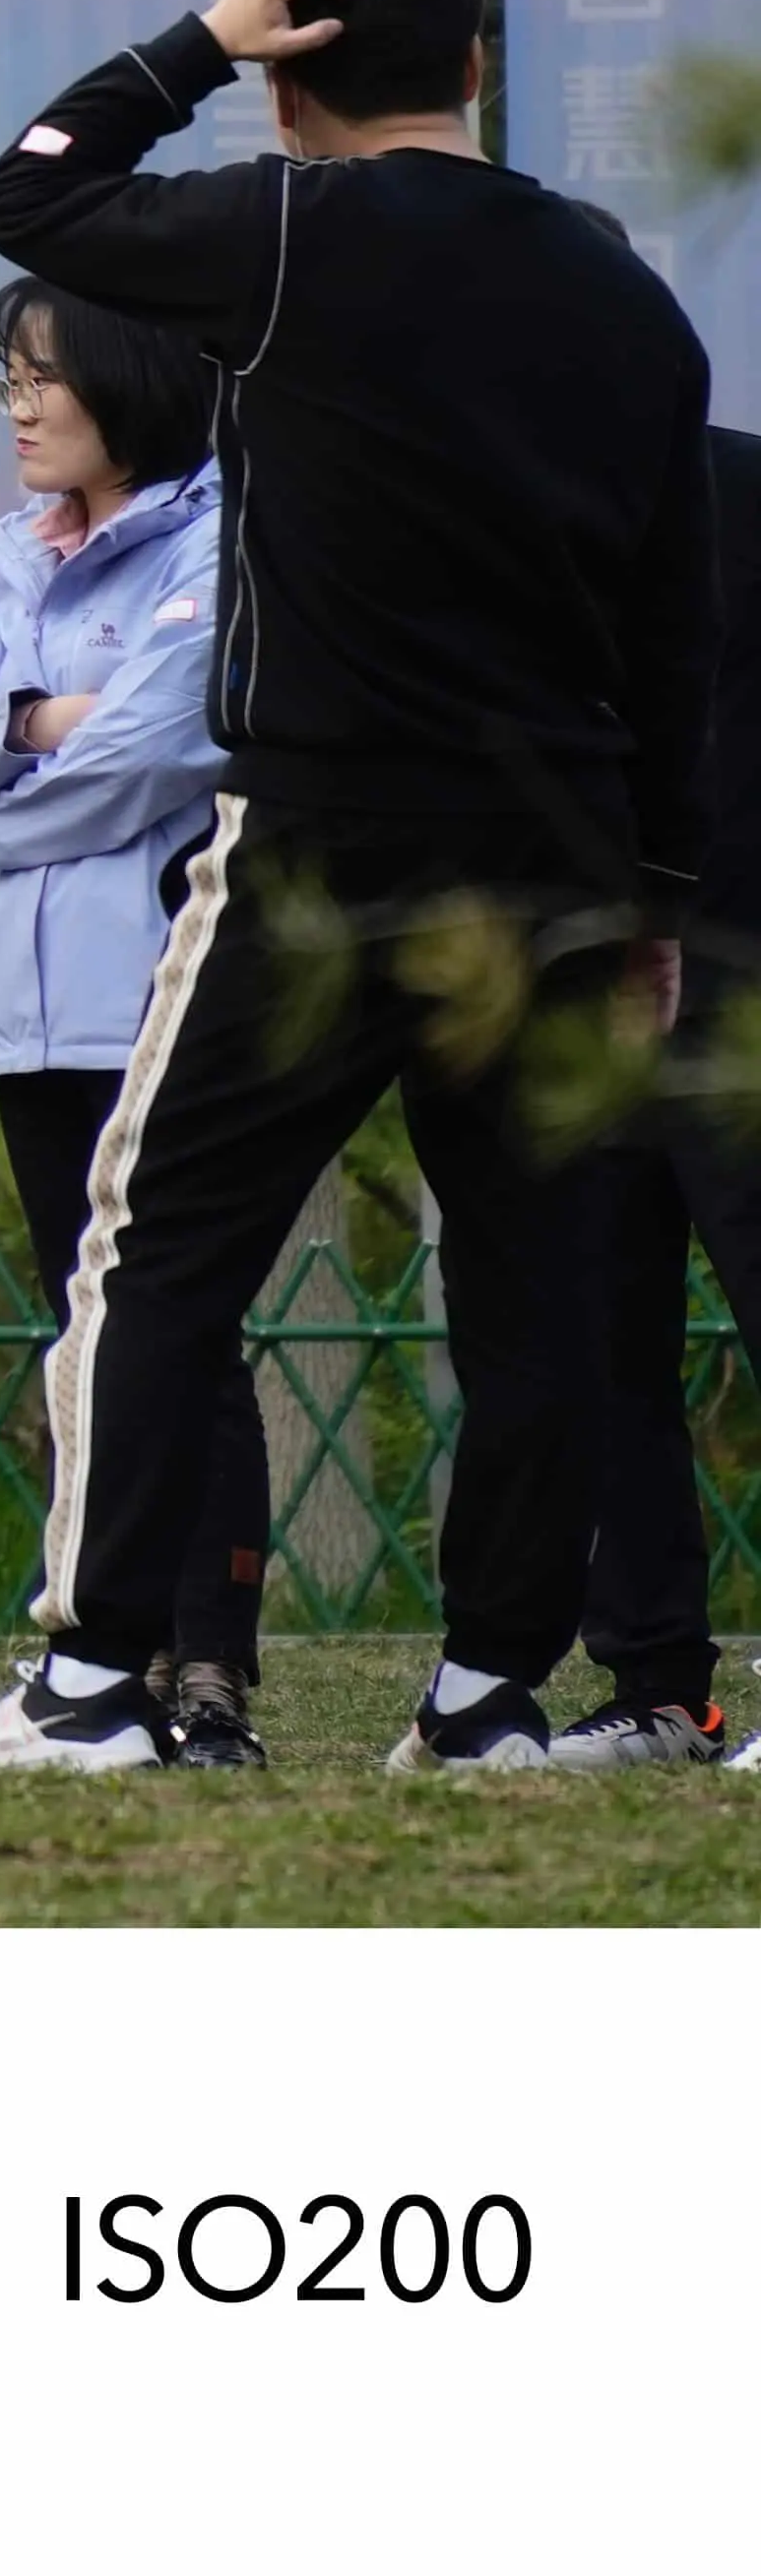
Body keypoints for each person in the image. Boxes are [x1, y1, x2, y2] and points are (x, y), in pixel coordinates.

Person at [0, 0, 715, 1775]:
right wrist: (654, 894)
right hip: (553, 849)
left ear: (293, 85)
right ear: (470, 71)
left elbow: (26, 199)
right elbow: (667, 628)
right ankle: (487, 1696)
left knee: (154, 1244)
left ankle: (97, 1680)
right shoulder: (622, 293)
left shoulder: (281, 236)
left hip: (315, 837)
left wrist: (198, 41)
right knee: (527, 1278)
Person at [0, 274, 254, 1733]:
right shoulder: (4, 561)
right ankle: (115, 1646)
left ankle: (212, 1660)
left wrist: (6, 787)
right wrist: (34, 724)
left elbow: (158, 751)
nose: (16, 405)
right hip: (18, 1009)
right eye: (8, 377)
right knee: (81, 1331)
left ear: (132, 381)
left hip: (153, 986)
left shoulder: (217, 544)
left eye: (44, 377)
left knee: (175, 1330)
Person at [561, 423, 761, 1768]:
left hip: (743, 969)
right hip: (570, 985)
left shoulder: (741, 486)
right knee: (593, 1336)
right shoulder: (486, 513)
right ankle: (658, 1686)